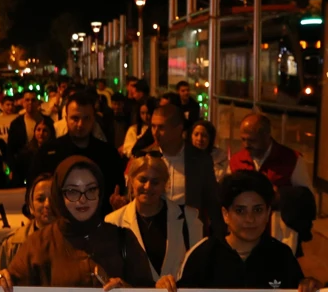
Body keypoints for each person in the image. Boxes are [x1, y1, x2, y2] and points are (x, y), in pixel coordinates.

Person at [0, 156, 154, 292]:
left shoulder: (122, 238)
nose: (82, 199)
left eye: (91, 190)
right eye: (72, 191)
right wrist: (1, 282)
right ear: (59, 194)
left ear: (100, 192)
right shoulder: (38, 244)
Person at [177, 170, 320, 292]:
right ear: (225, 214)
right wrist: (167, 289)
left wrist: (309, 287)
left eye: (258, 210)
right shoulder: (203, 255)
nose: (250, 219)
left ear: (268, 213)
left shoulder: (281, 256)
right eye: (240, 211)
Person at [105, 154, 203, 281]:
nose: (148, 186)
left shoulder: (189, 218)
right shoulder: (112, 222)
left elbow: (198, 270)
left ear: (164, 184)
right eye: (143, 180)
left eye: (155, 182)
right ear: (131, 181)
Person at [229, 113, 315, 252]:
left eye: (252, 140)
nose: (246, 145)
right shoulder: (236, 161)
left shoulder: (291, 159)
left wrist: (280, 196)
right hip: (245, 234)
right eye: (243, 139)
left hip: (279, 234)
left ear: (266, 135)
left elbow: (307, 198)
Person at [31, 92, 125, 207]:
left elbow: (119, 191)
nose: (80, 124)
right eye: (75, 118)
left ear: (94, 119)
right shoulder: (48, 152)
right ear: (66, 118)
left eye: (86, 118)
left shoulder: (108, 154)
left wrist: (117, 202)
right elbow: (34, 189)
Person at [143, 104, 220, 232]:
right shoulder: (146, 157)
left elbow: (212, 201)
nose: (155, 132)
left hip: (189, 231)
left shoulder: (200, 160)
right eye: (153, 126)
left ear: (178, 129)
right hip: (154, 230)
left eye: (161, 127)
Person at [0, 173, 55, 272]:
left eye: (53, 198)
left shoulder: (73, 242)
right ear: (31, 206)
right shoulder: (13, 244)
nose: (47, 204)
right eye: (40, 199)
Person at [6, 90, 46, 157]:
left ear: (37, 102)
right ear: (23, 102)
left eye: (33, 100)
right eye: (27, 100)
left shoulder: (47, 121)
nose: (30, 102)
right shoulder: (16, 124)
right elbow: (11, 149)